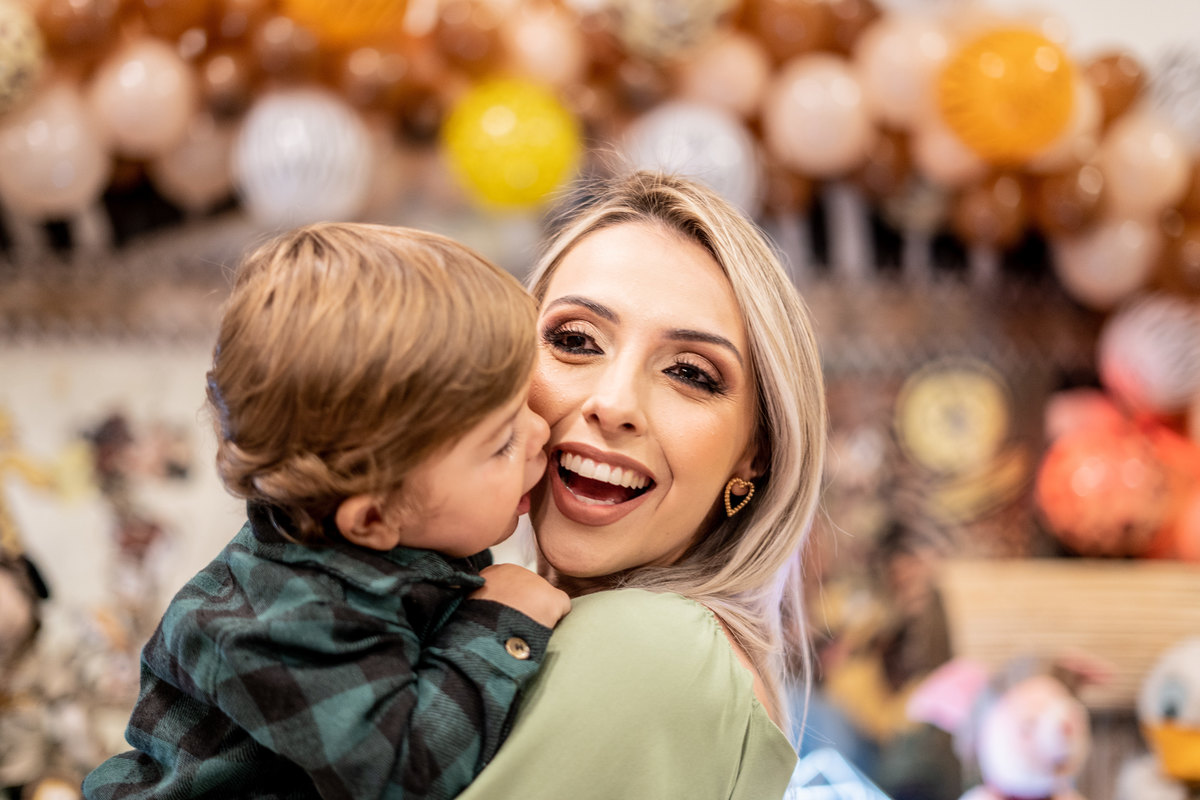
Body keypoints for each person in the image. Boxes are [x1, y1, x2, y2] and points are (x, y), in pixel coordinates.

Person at [82, 222, 571, 799]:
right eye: (502, 443)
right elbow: (402, 780)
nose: (541, 432)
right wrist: (499, 625)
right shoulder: (287, 622)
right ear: (372, 519)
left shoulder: (383, 551)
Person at [456, 170, 828, 799]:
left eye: (690, 373)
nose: (613, 403)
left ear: (755, 455)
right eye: (575, 340)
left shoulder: (650, 646)